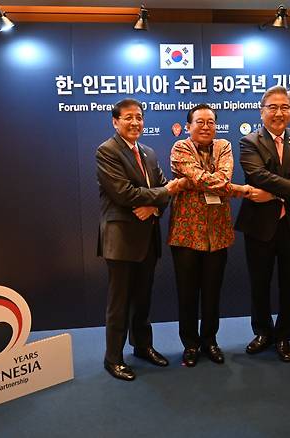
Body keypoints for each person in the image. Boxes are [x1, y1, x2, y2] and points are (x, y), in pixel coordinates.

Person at [96, 98, 182, 381]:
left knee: (143, 299)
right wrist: (160, 195)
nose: (135, 122)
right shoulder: (107, 151)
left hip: (147, 238)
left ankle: (143, 346)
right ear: (115, 121)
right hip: (121, 240)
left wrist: (154, 206)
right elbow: (124, 193)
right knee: (119, 302)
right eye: (128, 117)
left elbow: (163, 191)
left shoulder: (148, 153)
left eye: (139, 117)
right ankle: (113, 358)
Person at [235, 86, 290, 362]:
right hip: (259, 225)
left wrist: (277, 191)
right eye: (272, 107)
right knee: (259, 282)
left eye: (284, 107)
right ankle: (262, 332)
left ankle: (284, 336)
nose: (279, 113)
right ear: (262, 111)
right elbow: (258, 176)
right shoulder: (249, 142)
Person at [168, 103, 251, 367]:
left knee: (213, 292)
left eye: (210, 122)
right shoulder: (180, 148)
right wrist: (233, 188)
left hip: (218, 234)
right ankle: (190, 345)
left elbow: (222, 175)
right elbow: (202, 178)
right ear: (189, 126)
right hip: (185, 234)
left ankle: (210, 341)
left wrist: (217, 182)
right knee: (187, 293)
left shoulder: (224, 146)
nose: (206, 127)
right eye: (199, 122)